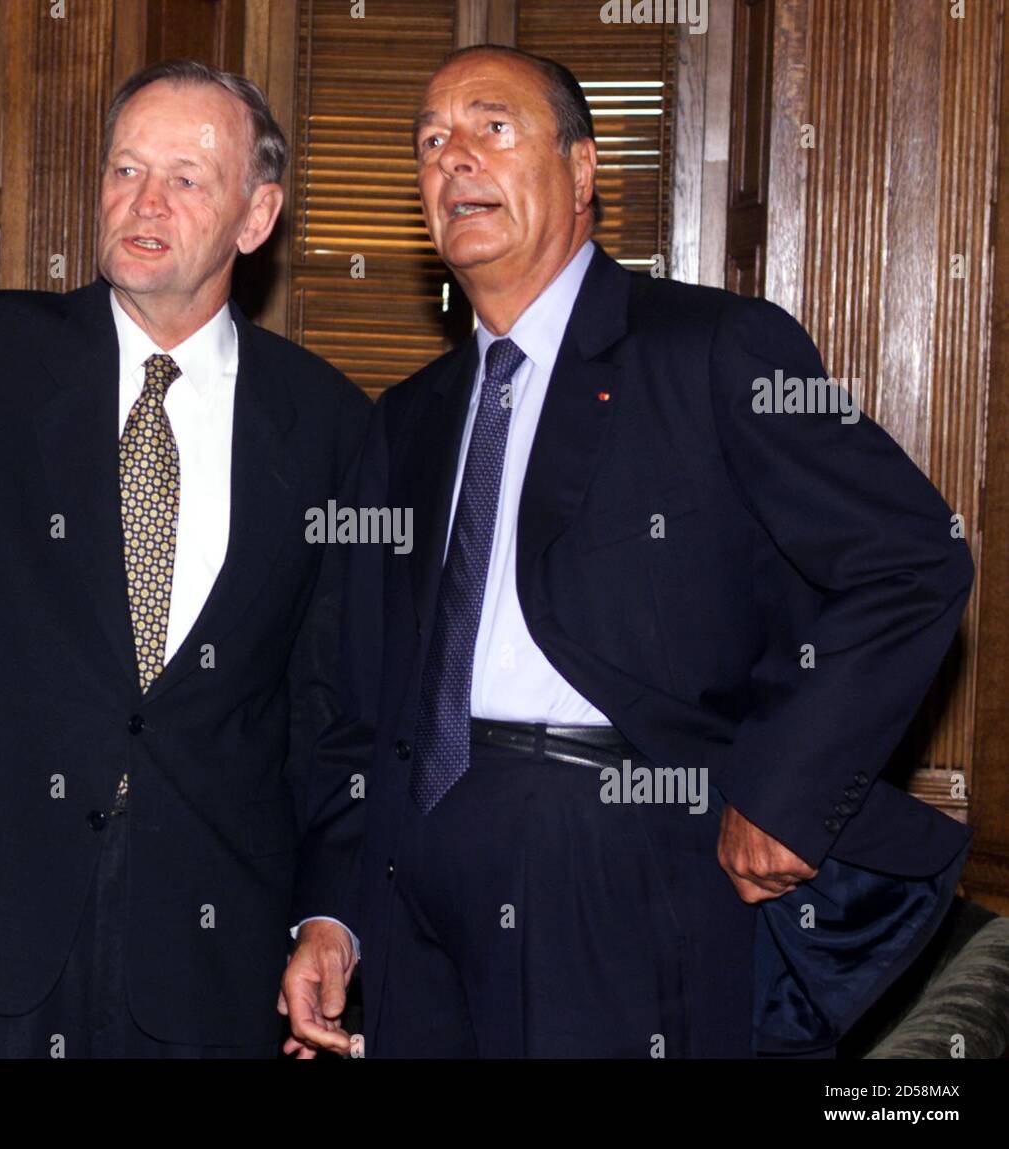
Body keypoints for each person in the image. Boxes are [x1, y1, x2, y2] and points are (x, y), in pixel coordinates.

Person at [282, 44, 973, 1059]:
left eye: (492, 127)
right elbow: (356, 695)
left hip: (617, 862)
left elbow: (912, 557)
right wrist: (332, 913)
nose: (454, 158)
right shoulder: (408, 421)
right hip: (411, 885)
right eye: (430, 142)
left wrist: (782, 792)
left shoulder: (713, 348)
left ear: (582, 168)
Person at [0, 59, 370, 1058]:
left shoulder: (329, 426)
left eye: (186, 175)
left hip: (212, 955)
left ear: (255, 217)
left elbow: (335, 709)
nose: (144, 199)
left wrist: (327, 917)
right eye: (125, 168)